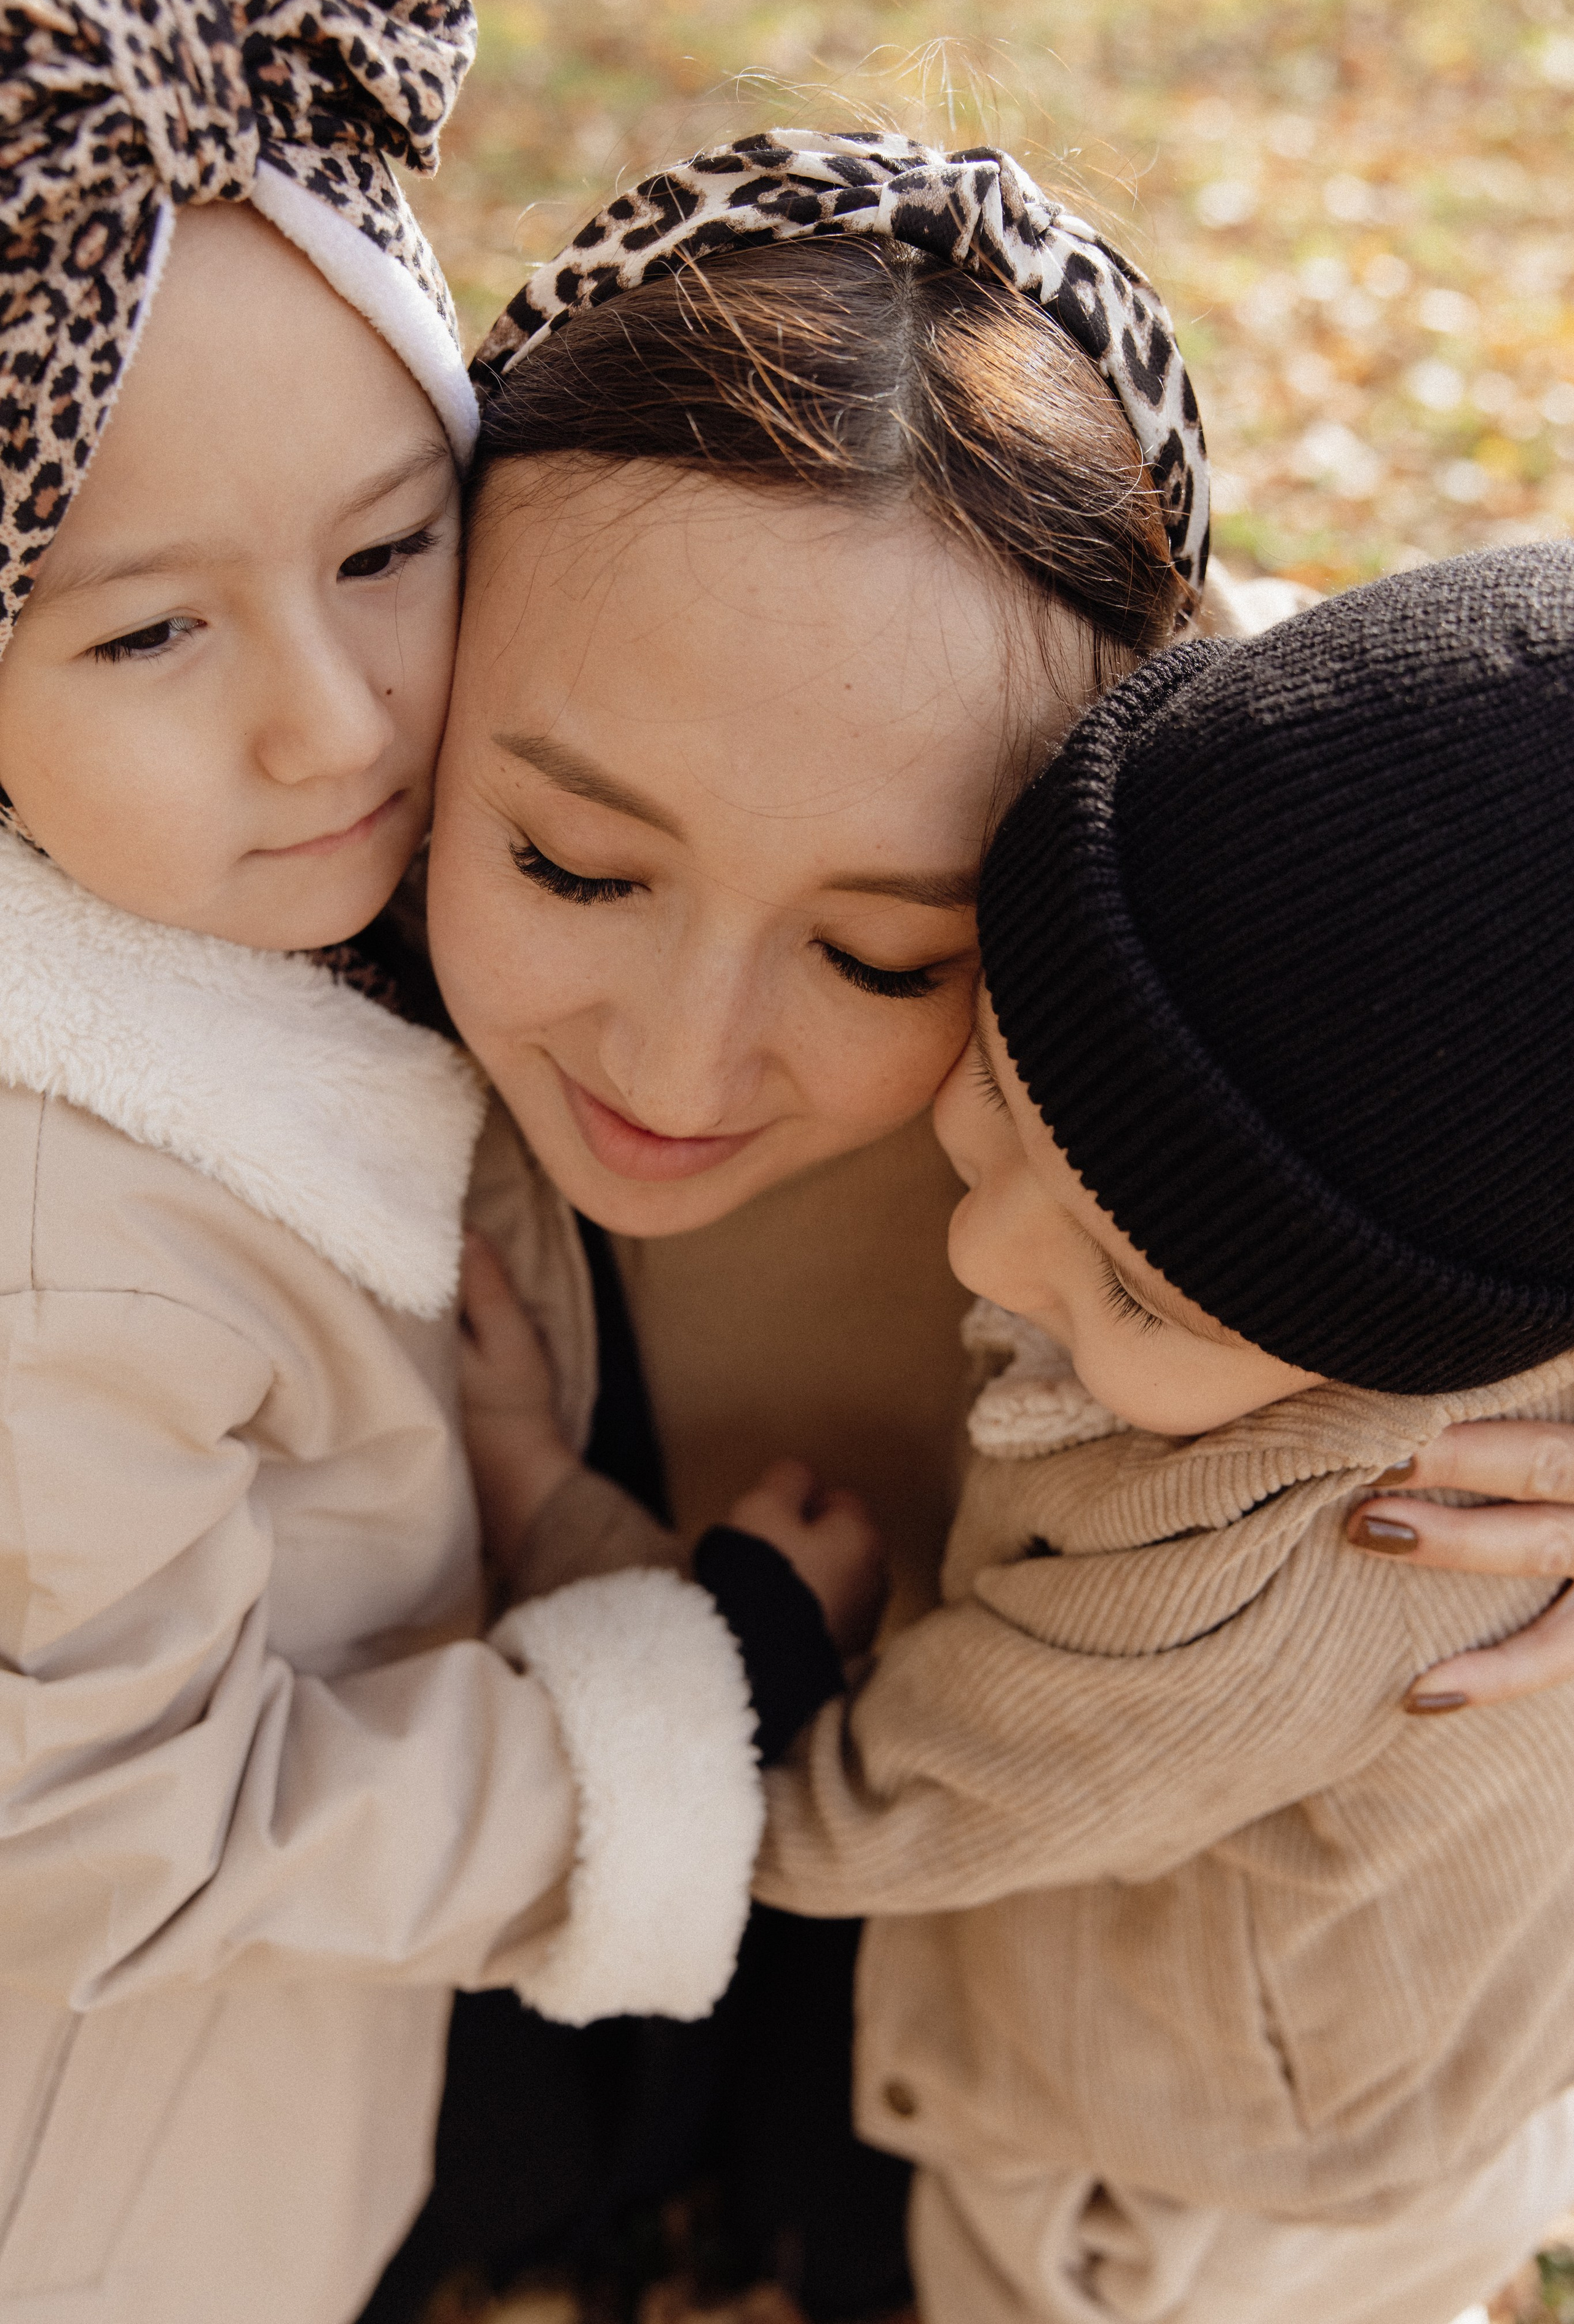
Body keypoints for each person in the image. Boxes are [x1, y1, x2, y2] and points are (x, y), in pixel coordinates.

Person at [410, 132, 1574, 2320]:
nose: (679, 1066)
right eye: (572, 863)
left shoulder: (1303, 964)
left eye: (884, 957)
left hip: (1049, 2061)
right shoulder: (241, 946)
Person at [0, 0, 821, 2320]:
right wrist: (671, 1714)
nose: (333, 721)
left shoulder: (221, 914)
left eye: (386, 552)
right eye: (151, 633)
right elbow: (107, 1829)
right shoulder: (58, 1257)